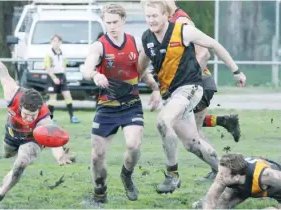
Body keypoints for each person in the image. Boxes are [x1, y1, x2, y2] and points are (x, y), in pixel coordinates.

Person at [139, 0, 247, 194]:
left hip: (190, 88)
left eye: (155, 16)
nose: (151, 20)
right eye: (147, 16)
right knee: (192, 143)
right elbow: (139, 68)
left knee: (163, 122)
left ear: (166, 15)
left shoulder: (182, 30)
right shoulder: (147, 38)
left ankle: (172, 176)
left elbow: (213, 44)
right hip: (170, 95)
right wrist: (148, 87)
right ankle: (226, 173)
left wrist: (236, 70)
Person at [82, 3, 160, 203]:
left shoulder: (135, 43)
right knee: (97, 156)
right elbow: (87, 67)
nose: (112, 26)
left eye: (115, 22)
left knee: (133, 145)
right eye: (108, 22)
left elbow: (142, 73)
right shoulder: (99, 45)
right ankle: (100, 192)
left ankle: (126, 174)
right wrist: (94, 75)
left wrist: (155, 89)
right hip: (106, 108)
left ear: (123, 21)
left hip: (131, 105)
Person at [0, 47, 73, 209]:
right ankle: (10, 153)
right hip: (11, 135)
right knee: (8, 153)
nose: (29, 119)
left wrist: (59, 156)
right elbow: (1, 70)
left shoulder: (44, 117)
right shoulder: (12, 93)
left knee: (20, 164)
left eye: (33, 115)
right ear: (21, 106)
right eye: (26, 114)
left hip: (32, 139)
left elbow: (52, 138)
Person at [165, 0, 241, 183]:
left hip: (198, 84)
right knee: (186, 126)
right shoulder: (169, 21)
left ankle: (223, 172)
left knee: (192, 133)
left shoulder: (181, 21)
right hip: (194, 85)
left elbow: (205, 53)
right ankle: (224, 122)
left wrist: (187, 80)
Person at [192, 153, 281, 209]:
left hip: (276, 191)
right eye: (220, 173)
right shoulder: (225, 174)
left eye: (223, 174)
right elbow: (211, 200)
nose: (219, 177)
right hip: (245, 187)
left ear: (237, 176)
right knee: (221, 201)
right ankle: (199, 204)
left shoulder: (267, 176)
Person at [44, 34, 81, 123]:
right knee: (52, 98)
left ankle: (72, 117)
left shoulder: (63, 54)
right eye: (54, 41)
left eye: (58, 41)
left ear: (61, 42)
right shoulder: (48, 54)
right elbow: (47, 68)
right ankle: (50, 118)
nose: (56, 43)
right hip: (52, 77)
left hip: (61, 76)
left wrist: (63, 76)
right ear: (51, 42)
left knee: (67, 95)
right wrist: (54, 78)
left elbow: (64, 65)